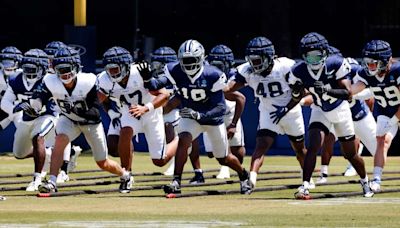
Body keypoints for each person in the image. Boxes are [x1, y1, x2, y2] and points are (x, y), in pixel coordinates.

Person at [143, 39, 250, 194]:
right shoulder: (175, 70)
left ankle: (243, 174)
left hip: (212, 120)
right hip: (190, 115)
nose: (187, 64)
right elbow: (157, 85)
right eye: (184, 60)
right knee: (184, 140)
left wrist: (200, 115)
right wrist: (148, 79)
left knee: (223, 158)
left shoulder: (213, 75)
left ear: (200, 58)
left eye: (191, 60)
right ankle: (176, 181)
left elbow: (220, 108)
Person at [30, 47, 130, 193]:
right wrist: (36, 106)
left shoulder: (88, 81)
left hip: (90, 123)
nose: (64, 74)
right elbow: (39, 96)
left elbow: (94, 108)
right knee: (59, 142)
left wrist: (75, 108)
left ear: (76, 67)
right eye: (61, 69)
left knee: (102, 162)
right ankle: (52, 182)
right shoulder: (50, 81)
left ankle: (125, 175)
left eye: (67, 69)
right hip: (68, 119)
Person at [288, 32, 373, 199]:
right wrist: (297, 92)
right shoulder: (298, 71)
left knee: (350, 154)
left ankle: (365, 181)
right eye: (309, 56)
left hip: (340, 110)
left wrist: (327, 90)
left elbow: (348, 93)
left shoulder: (336, 64)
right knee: (313, 146)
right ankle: (305, 185)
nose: (313, 60)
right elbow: (296, 96)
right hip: (320, 110)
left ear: (325, 53)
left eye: (316, 56)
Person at [223, 37, 307, 194]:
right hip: (268, 111)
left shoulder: (285, 67)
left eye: (258, 60)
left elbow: (302, 91)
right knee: (261, 146)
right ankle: (252, 181)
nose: (254, 65)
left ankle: (306, 179)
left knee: (300, 150)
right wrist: (217, 86)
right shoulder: (247, 70)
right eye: (252, 60)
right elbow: (229, 88)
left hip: (291, 111)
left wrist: (286, 108)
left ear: (269, 57)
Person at [98, 46, 177, 193]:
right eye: (110, 69)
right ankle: (126, 175)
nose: (112, 73)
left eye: (116, 69)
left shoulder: (139, 73)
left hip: (151, 111)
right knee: (125, 131)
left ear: (126, 66)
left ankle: (179, 140)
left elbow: (164, 95)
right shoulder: (104, 79)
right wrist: (111, 112)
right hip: (130, 110)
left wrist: (146, 108)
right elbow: (99, 99)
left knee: (160, 161)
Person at [314, 46, 377, 183]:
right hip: (338, 113)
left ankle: (376, 178)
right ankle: (324, 173)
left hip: (358, 114)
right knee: (329, 140)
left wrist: (354, 96)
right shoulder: (321, 72)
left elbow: (370, 90)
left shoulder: (352, 69)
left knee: (377, 148)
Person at [188, 44, 246, 182]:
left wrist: (233, 124)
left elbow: (240, 97)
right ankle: (222, 166)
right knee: (211, 153)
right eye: (214, 64)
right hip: (211, 112)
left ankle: (239, 172)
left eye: (220, 65)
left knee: (238, 152)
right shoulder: (205, 72)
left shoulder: (235, 74)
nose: (217, 68)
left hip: (229, 111)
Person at [1, 49, 56, 191]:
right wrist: (15, 108)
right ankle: (48, 153)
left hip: (47, 116)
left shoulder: (50, 80)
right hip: (26, 119)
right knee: (19, 153)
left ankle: (37, 179)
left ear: (43, 68)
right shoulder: (16, 79)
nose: (29, 71)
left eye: (33, 68)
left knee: (38, 137)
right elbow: (5, 102)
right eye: (26, 68)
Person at [351, 40, 400, 192]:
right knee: (382, 141)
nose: (369, 66)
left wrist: (394, 119)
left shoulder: (397, 71)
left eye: (373, 63)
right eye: (367, 63)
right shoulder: (366, 74)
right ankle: (377, 180)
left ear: (385, 61)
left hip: (395, 110)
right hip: (386, 109)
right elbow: (352, 90)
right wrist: (334, 92)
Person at [43, 41, 82, 183]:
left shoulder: (70, 71)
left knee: (62, 136)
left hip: (66, 107)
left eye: (53, 58)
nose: (50, 61)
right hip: (51, 107)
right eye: (49, 58)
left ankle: (63, 171)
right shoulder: (47, 74)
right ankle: (69, 155)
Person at [149, 46, 180, 176]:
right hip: (159, 112)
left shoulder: (178, 76)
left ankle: (179, 166)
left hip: (177, 111)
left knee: (172, 134)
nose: (155, 67)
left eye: (158, 64)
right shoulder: (155, 79)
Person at [0, 46, 23, 131]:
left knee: (27, 132)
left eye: (10, 62)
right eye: (5, 62)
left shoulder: (23, 76)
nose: (7, 65)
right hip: (4, 108)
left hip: (21, 110)